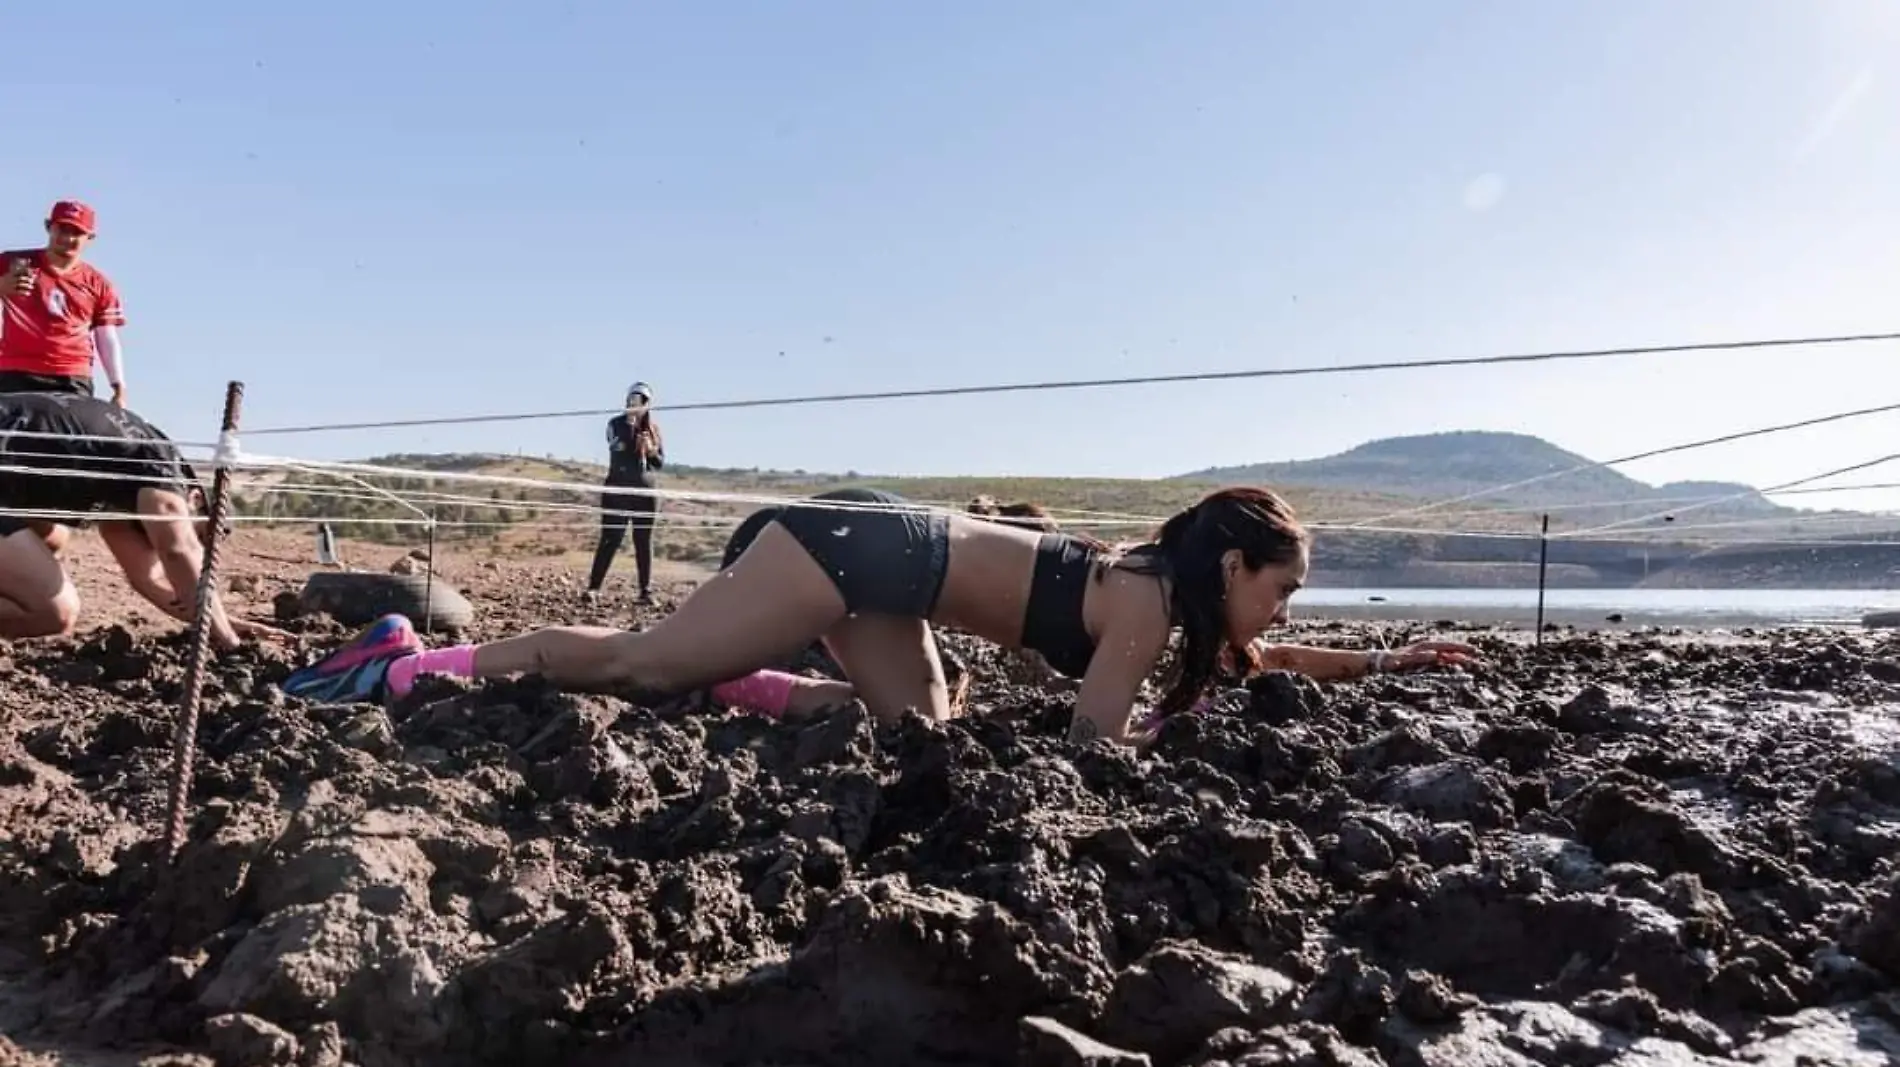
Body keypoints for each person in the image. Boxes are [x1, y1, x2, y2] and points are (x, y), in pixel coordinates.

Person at [286, 484, 1476, 746]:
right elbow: (1092, 739)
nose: (1280, 607)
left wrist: (1393, 656)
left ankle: (741, 672)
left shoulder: (1180, 602)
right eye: (1278, 582)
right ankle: (408, 660)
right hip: (859, 548)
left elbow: (1276, 655)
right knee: (642, 668)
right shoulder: (1149, 606)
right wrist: (1166, 743)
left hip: (884, 570)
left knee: (914, 724)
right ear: (1229, 566)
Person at [0, 392, 275, 648]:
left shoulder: (129, 491)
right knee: (55, 611)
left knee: (51, 538)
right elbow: (179, 551)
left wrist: (225, 622)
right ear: (195, 500)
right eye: (199, 535)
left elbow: (149, 578)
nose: (197, 547)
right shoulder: (161, 471)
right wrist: (227, 641)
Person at [1, 201, 129, 405]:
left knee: (70, 436)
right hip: (15, 371)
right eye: (62, 229)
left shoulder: (99, 284)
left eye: (77, 233)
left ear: (90, 238)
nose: (67, 239)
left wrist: (118, 386)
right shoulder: (11, 263)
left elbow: (106, 336)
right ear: (48, 227)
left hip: (72, 376)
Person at [584, 382, 665, 603]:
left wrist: (651, 450)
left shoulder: (653, 430)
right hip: (618, 489)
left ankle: (645, 591)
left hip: (645, 492)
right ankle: (594, 588)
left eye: (642, 401)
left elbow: (659, 463)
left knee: (643, 541)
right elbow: (617, 447)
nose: (636, 404)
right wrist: (631, 430)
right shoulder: (616, 424)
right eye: (633, 399)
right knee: (611, 538)